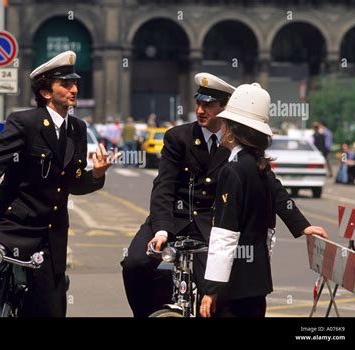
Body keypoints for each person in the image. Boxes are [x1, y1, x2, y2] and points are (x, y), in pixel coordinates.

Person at [121, 73, 328, 318]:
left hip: (212, 224)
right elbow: (163, 186)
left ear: (225, 108)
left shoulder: (240, 145)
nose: (200, 110)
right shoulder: (178, 137)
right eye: (198, 103)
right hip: (173, 220)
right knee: (135, 263)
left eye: (208, 105)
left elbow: (272, 185)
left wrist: (302, 225)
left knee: (214, 283)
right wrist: (162, 230)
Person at [0, 51, 120, 317]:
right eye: (65, 84)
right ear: (46, 92)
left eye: (75, 83)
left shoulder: (77, 129)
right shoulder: (24, 123)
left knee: (51, 309)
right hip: (9, 227)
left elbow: (74, 184)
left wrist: (97, 174)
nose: (74, 89)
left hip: (49, 237)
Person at [200, 83, 328, 318]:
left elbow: (225, 234)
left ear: (231, 128)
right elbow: (279, 195)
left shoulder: (233, 171)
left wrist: (210, 290)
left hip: (234, 284)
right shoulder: (259, 166)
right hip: (257, 281)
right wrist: (302, 225)